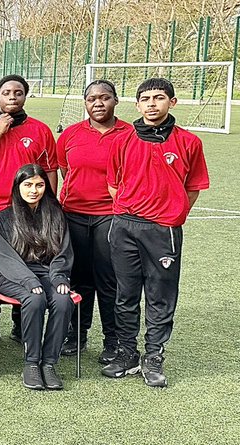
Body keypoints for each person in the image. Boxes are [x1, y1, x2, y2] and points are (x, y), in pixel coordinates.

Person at [103, 78, 209, 387]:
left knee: (160, 294)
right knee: (125, 293)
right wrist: (132, 208)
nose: (152, 103)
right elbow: (113, 185)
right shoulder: (121, 141)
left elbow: (193, 188)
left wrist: (171, 213)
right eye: (145, 98)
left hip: (164, 230)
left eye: (159, 97)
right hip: (124, 225)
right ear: (137, 105)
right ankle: (127, 353)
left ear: (172, 102)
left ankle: (153, 356)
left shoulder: (189, 143)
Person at [0, 75, 57, 341]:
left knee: (27, 264)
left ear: (25, 96)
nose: (12, 97)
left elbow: (49, 170)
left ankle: (21, 322)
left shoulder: (40, 130)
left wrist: (49, 206)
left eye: (18, 92)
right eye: (6, 93)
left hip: (27, 213)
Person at [54, 80, 129, 364]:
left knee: (109, 281)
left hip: (111, 216)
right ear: (85, 103)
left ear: (115, 101)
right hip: (73, 215)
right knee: (77, 279)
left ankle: (112, 340)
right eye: (92, 99)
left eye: (105, 98)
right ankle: (77, 335)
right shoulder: (70, 135)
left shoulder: (130, 134)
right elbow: (64, 170)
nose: (98, 103)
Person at [0, 164, 74, 390]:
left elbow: (62, 252)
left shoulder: (55, 215)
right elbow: (4, 257)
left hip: (47, 272)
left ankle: (49, 363)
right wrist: (29, 281)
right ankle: (32, 363)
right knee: (34, 299)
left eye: (39, 185)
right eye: (27, 185)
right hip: (10, 274)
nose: (33, 190)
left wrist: (59, 279)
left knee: (63, 299)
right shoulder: (2, 218)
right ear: (18, 187)